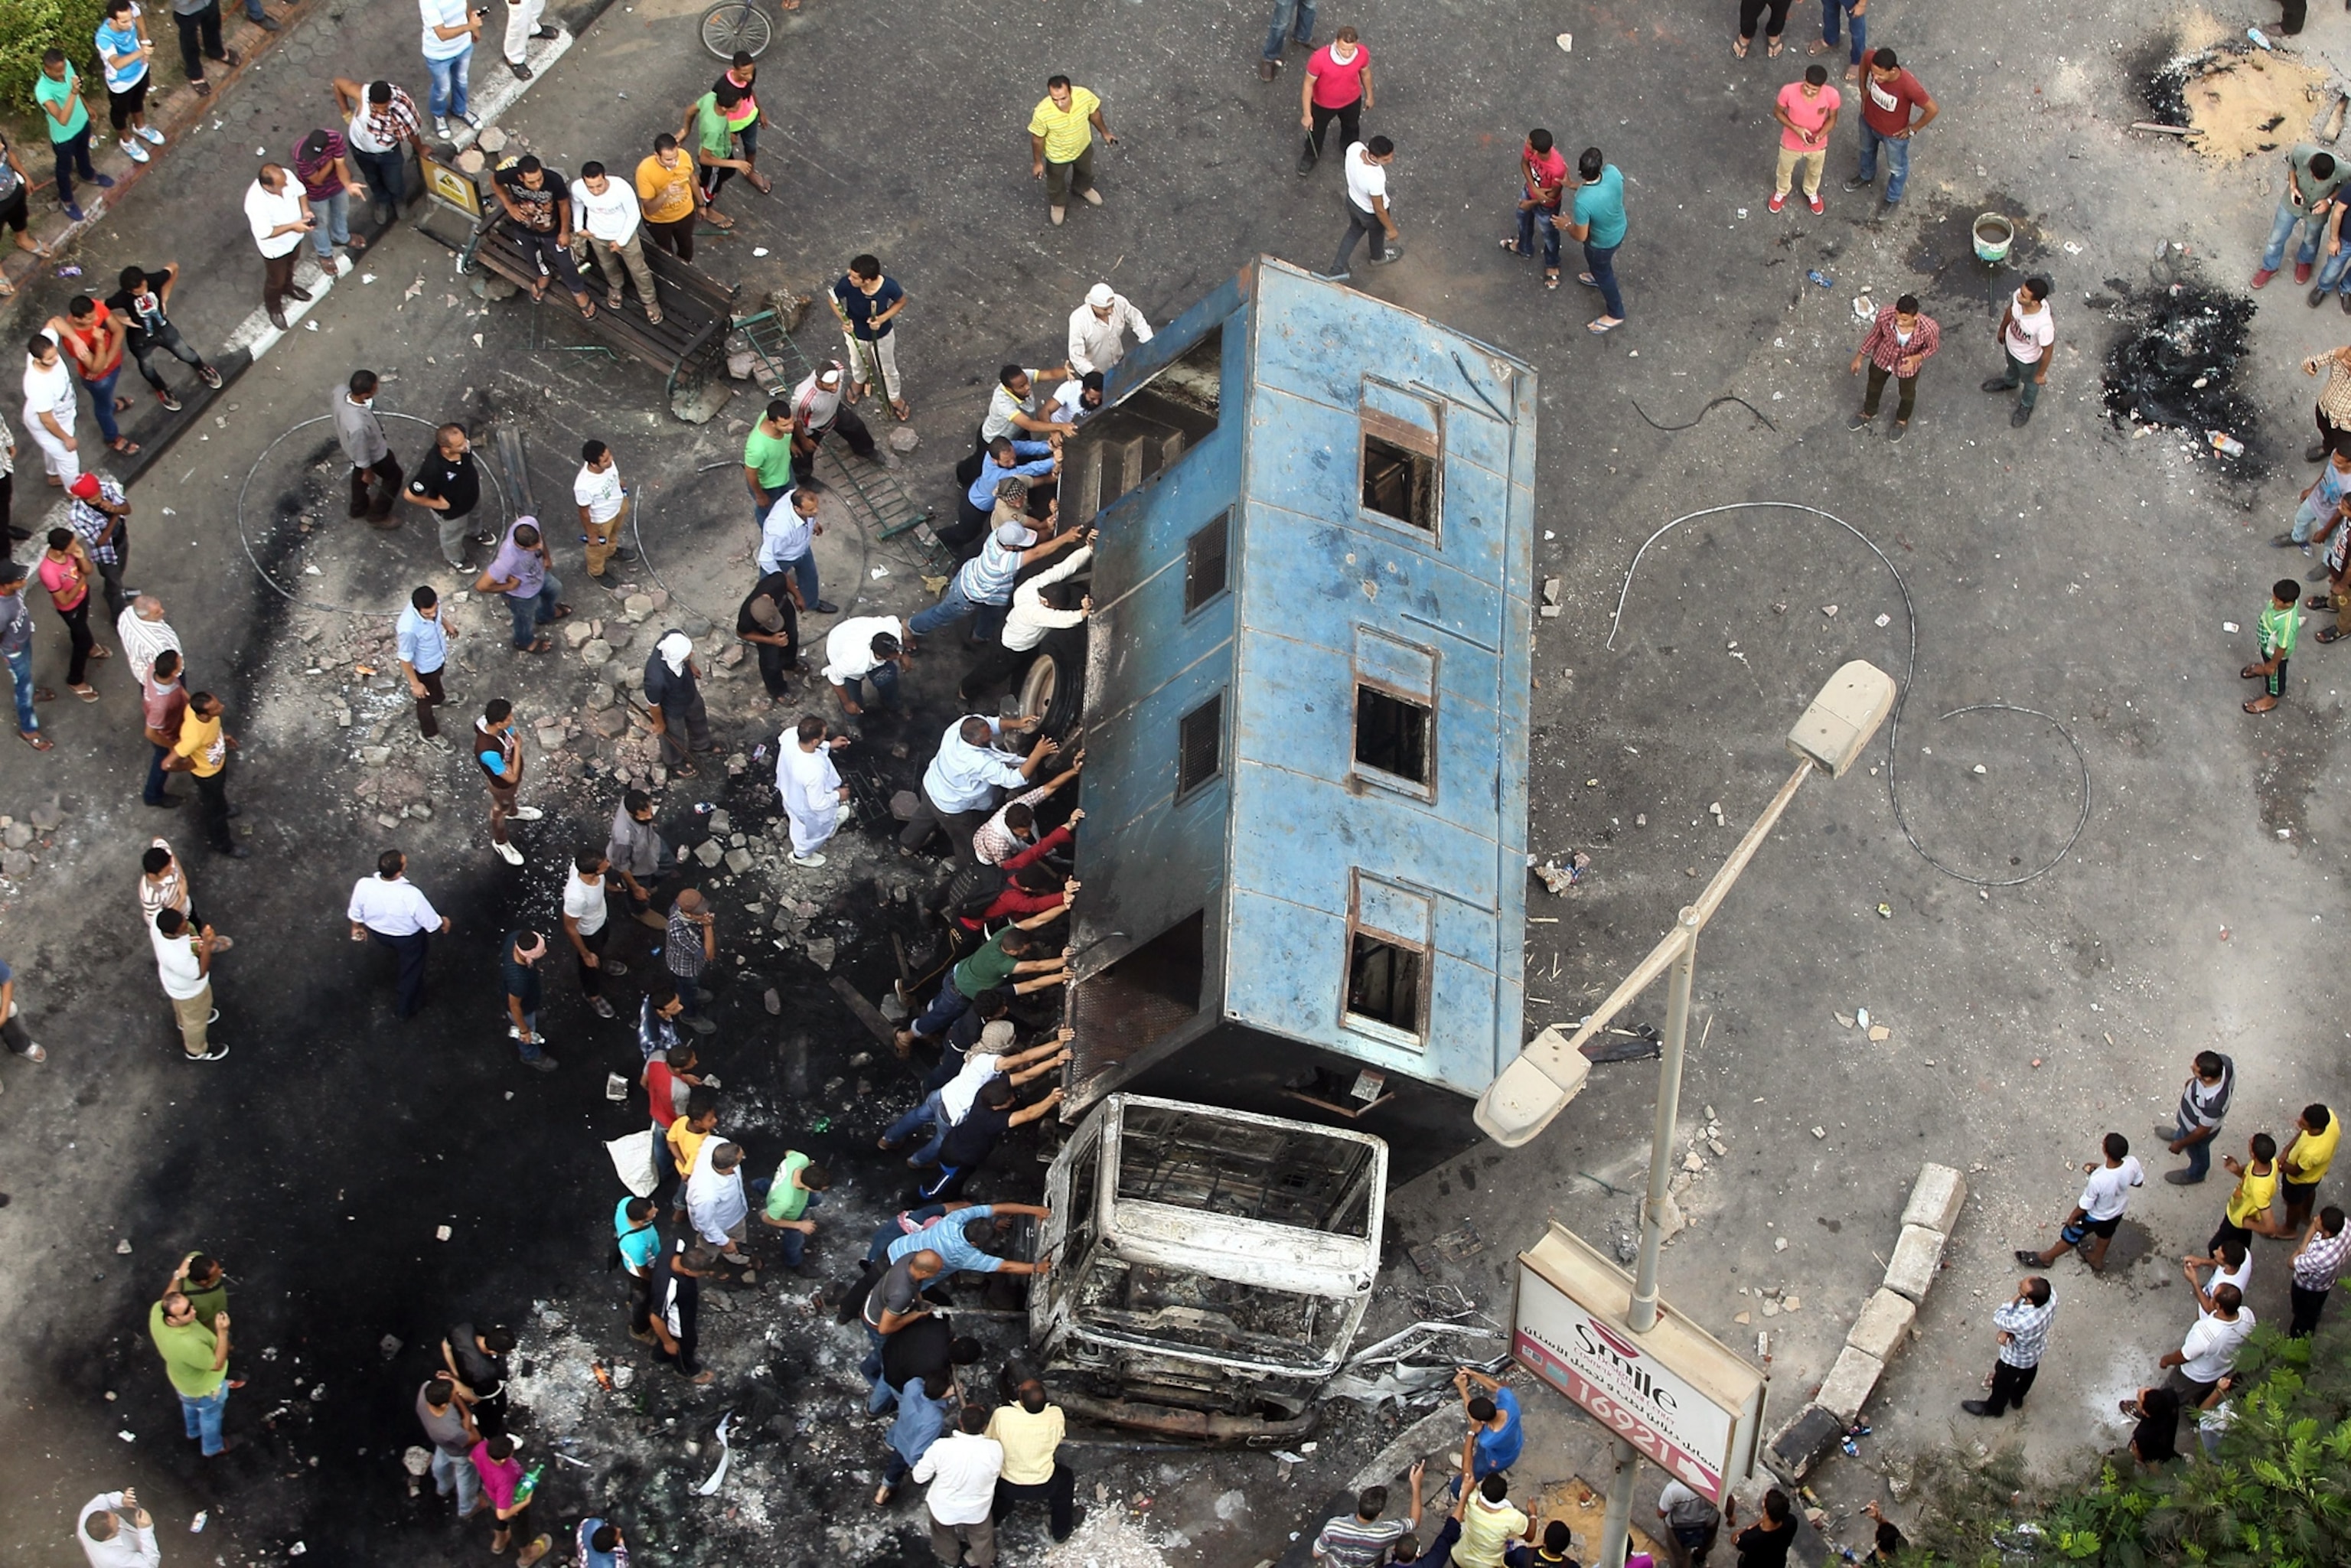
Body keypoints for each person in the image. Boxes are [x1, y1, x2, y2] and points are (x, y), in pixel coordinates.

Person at [882, 1023, 1072, 1164]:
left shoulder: (979, 1054)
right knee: (940, 1141)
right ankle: (917, 1161)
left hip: (943, 1094)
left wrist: (1055, 1060)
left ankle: (888, 1139)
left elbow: (1025, 1073)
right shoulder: (993, 1064)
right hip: (952, 1114)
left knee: (917, 1115)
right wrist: (1058, 1045)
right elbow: (1024, 1062)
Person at [902, 715, 1061, 862]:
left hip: (932, 785)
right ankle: (969, 871)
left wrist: (1017, 724)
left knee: (924, 816)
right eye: (987, 737)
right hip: (952, 808)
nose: (991, 736)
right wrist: (1037, 755)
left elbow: (991, 723)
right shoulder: (978, 761)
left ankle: (908, 845)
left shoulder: (960, 728)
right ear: (975, 742)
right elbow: (1015, 779)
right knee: (965, 841)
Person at [960, 540, 1091, 706]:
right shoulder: (1033, 611)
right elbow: (1061, 619)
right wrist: (1083, 612)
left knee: (1026, 666)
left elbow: (1064, 567)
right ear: (1045, 602)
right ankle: (965, 692)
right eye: (1054, 608)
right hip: (1011, 647)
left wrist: (1088, 549)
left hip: (1027, 641)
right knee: (991, 673)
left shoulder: (1037, 584)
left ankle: (1017, 692)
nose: (1055, 610)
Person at [2016, 1133, 2144, 1272]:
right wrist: (2104, 1169)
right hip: (2118, 1210)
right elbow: (2138, 1183)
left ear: (2105, 1152)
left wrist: (2072, 1217)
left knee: (2071, 1234)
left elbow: (2085, 1205)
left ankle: (2047, 1258)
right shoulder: (2132, 1162)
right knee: (2106, 1234)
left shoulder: (2098, 1179)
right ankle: (2096, 1259)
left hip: (2095, 1216)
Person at [348, 847, 448, 1019]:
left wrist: (356, 927)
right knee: (411, 970)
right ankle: (405, 1008)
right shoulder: (411, 895)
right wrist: (443, 922)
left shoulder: (364, 885)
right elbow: (430, 922)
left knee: (397, 951)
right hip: (408, 939)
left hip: (379, 933)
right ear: (399, 871)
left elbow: (356, 910)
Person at [108, 264, 218, 415]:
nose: (144, 291)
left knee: (185, 352)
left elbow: (174, 267)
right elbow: (101, 308)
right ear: (129, 291)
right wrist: (124, 320)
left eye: (144, 286)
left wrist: (165, 296)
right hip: (140, 338)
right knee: (147, 366)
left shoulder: (154, 279)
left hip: (163, 328)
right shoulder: (122, 297)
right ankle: (161, 388)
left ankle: (201, 367)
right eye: (138, 292)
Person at [493, 156, 595, 317]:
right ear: (520, 177)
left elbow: (563, 205)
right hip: (524, 229)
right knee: (532, 257)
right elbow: (494, 180)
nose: (538, 185)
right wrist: (509, 206)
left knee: (566, 263)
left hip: (552, 231)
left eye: (539, 179)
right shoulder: (510, 176)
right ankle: (544, 275)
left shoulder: (554, 180)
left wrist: (564, 232)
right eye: (532, 182)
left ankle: (577, 290)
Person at [1844, 48, 1935, 211]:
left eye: (1880, 75)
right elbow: (1865, 57)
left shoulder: (1909, 85)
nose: (1876, 79)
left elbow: (1932, 109)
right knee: (1866, 150)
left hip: (1894, 135)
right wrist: (1863, 90)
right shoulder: (1873, 60)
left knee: (1897, 168)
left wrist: (1913, 129)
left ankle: (1892, 198)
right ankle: (1866, 175)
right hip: (1868, 120)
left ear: (1893, 70)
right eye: (1874, 74)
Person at [47, 293, 137, 458]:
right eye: (89, 319)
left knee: (106, 399)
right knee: (102, 408)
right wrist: (101, 343)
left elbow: (118, 331)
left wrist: (107, 361)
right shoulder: (74, 342)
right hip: (99, 380)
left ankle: (112, 405)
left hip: (112, 365)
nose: (95, 318)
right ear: (78, 319)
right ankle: (112, 437)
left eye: (94, 314)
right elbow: (95, 368)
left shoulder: (94, 307)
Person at [990, 1381, 1081, 1543]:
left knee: (999, 1494)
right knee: (1066, 1479)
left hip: (1008, 1484)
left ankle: (993, 1520)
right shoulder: (1056, 1414)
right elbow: (1059, 1437)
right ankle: (1061, 1531)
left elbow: (990, 1440)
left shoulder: (1002, 1415)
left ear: (1021, 1400)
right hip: (1044, 1484)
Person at [915, 1405, 1005, 1565]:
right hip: (977, 1509)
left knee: (942, 1534)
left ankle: (949, 1559)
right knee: (982, 1538)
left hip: (943, 1507)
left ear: (960, 1422)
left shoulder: (941, 1447)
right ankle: (984, 1561)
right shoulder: (995, 1449)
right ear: (985, 1426)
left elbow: (919, 1477)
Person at [571, 163, 660, 324]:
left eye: (599, 185)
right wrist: (579, 227)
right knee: (607, 265)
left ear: (605, 177)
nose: (596, 191)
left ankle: (649, 300)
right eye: (591, 187)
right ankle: (615, 286)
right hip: (597, 234)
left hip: (624, 235)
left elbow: (634, 215)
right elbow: (577, 202)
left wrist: (621, 241)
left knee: (638, 269)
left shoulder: (621, 189)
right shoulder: (578, 188)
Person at [1844, 292, 1940, 439]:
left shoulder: (1929, 329)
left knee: (1907, 394)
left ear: (1915, 317)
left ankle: (1902, 420)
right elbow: (1874, 336)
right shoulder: (1884, 315)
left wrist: (1915, 358)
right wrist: (1859, 356)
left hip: (1907, 367)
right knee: (1873, 386)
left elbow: (1932, 348)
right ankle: (1868, 412)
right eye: (1897, 317)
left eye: (1904, 319)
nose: (1899, 322)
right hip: (1882, 358)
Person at [149, 1289, 233, 1454]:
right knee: (211, 1415)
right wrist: (223, 1332)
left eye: (191, 1306)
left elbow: (169, 1294)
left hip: (184, 1382)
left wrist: (179, 1274)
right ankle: (212, 1447)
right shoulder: (188, 1344)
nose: (193, 1311)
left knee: (189, 1405)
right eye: (187, 1312)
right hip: (205, 1389)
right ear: (172, 1319)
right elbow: (217, 1364)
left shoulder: (158, 1313)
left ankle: (193, 1431)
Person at [2254, 144, 2349, 289]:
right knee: (2276, 238)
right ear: (2310, 166)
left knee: (2311, 239)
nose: (2317, 181)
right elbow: (2292, 165)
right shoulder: (2301, 153)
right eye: (2314, 178)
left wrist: (2329, 201)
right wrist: (2293, 186)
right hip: (2291, 203)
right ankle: (2270, 266)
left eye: (2322, 181)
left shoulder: (2345, 170)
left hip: (2317, 210)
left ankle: (2305, 261)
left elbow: (2346, 188)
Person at [1960, 1275, 2055, 1417]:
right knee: (2029, 1373)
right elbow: (2011, 1323)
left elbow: (1999, 1317)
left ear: (2029, 1300)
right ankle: (2017, 1398)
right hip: (2034, 1351)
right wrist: (2007, 1331)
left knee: (2001, 1381)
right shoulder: (2051, 1298)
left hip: (2015, 1359)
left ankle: (1994, 1409)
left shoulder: (2020, 1322)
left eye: (2020, 1288)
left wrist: (2016, 1297)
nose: (2018, 1283)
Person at [332, 78, 422, 227]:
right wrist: (346, 113)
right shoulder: (362, 94)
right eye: (376, 107)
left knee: (394, 181)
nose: (380, 111)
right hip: (361, 150)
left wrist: (420, 148)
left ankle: (398, 200)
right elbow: (338, 84)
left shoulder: (401, 106)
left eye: (384, 108)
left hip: (389, 153)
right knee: (372, 179)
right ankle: (382, 201)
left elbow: (411, 131)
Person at [35, 49, 112, 224]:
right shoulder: (43, 90)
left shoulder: (67, 64)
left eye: (63, 68)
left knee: (83, 152)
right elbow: (62, 119)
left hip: (82, 123)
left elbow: (76, 90)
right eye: (58, 71)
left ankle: (88, 174)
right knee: (64, 169)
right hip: (64, 138)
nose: (63, 73)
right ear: (47, 69)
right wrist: (73, 93)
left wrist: (87, 106)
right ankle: (67, 200)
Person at [1029, 74, 1115, 227]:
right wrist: (1038, 162)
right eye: (1055, 99)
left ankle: (1082, 188)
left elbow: (1094, 114)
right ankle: (1058, 203)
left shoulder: (1084, 96)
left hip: (1082, 146)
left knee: (1085, 171)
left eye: (1063, 98)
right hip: (1058, 156)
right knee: (1055, 182)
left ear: (1071, 91)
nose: (1060, 103)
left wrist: (1105, 133)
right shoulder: (1042, 113)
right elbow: (1037, 139)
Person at [167, 690, 244, 859]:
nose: (221, 707)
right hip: (208, 776)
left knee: (218, 797)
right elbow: (167, 764)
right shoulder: (193, 737)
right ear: (203, 715)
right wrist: (189, 765)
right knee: (215, 813)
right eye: (216, 708)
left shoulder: (197, 711)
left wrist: (223, 737)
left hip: (217, 766)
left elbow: (212, 730)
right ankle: (223, 845)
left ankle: (224, 808)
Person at [1559, 147, 1626, 333]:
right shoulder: (1612, 172)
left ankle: (1616, 313)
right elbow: (1599, 190)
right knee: (1601, 268)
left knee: (1603, 273)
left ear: (1581, 171)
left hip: (1601, 243)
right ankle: (1597, 275)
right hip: (1619, 228)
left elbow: (1581, 235)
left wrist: (1565, 225)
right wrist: (1571, 184)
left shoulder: (1583, 201)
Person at [476, 517, 569, 654]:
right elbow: (481, 586)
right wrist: (509, 587)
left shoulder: (529, 523)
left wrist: (547, 557)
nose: (539, 547)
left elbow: (540, 537)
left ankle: (545, 615)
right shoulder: (507, 559)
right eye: (535, 547)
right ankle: (525, 642)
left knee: (555, 588)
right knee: (524, 619)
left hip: (538, 576)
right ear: (522, 547)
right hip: (522, 594)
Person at [834, 255, 909, 419]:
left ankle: (894, 397)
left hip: (882, 335)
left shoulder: (889, 286)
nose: (850, 279)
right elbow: (833, 299)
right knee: (857, 360)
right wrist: (844, 320)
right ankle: (859, 380)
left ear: (867, 280)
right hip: (855, 333)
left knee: (888, 368)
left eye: (855, 277)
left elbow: (901, 301)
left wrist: (882, 319)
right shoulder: (847, 284)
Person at [970, 758, 1081, 866]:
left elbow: (1050, 787)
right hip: (987, 852)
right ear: (1011, 828)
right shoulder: (1000, 845)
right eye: (1022, 832)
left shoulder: (1023, 803)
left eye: (1028, 829)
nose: (1027, 834)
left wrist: (1074, 771)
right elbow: (1008, 865)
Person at [243, 164, 315, 331]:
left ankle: (289, 287)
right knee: (275, 280)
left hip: (296, 237)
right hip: (276, 248)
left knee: (292, 263)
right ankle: (274, 307)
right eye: (281, 185)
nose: (286, 185)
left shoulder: (286, 176)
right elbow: (265, 232)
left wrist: (306, 212)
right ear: (267, 186)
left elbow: (300, 191)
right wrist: (292, 226)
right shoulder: (255, 203)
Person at [791, 360, 891, 479]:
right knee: (803, 456)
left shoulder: (839, 369)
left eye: (836, 382)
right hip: (814, 426)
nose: (835, 387)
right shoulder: (804, 400)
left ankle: (866, 450)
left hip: (833, 410)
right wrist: (804, 440)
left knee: (857, 428)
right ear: (819, 382)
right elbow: (797, 421)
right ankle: (804, 477)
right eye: (829, 385)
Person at [475, 699, 544, 865]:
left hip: (511, 773)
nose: (512, 720)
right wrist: (517, 748)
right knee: (500, 809)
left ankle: (514, 813)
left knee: (510, 801)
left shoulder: (493, 725)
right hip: (502, 786)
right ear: (498, 724)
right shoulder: (488, 752)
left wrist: (513, 759)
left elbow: (514, 735)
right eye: (508, 719)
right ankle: (500, 842)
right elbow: (510, 778)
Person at [777, 713, 851, 867]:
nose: (826, 736)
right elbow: (818, 804)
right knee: (812, 832)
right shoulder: (813, 771)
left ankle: (831, 826)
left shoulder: (791, 734)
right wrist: (838, 794)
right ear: (815, 741)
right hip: (809, 807)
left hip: (790, 792)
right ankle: (801, 855)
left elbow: (790, 742)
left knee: (804, 821)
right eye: (824, 735)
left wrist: (828, 745)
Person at [36, 526, 102, 699]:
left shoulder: (72, 553)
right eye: (71, 546)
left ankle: (88, 646)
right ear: (58, 551)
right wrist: (81, 583)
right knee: (82, 641)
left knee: (81, 627)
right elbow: (63, 600)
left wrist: (81, 557)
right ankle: (75, 680)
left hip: (82, 599)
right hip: (70, 609)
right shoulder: (48, 571)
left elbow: (88, 570)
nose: (75, 547)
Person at [1982, 274, 2055, 429]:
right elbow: (2010, 311)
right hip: (2011, 347)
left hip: (2028, 360)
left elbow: (2048, 351)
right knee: (2012, 368)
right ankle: (2010, 382)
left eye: (2023, 295)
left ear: (2034, 302)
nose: (2018, 295)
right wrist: (2002, 329)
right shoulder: (2018, 297)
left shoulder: (2043, 326)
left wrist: (2040, 374)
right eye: (2021, 291)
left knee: (2030, 383)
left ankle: (2026, 405)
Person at [1299, 25, 1372, 179]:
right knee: (1316, 131)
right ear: (1335, 42)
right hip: (1322, 104)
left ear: (1357, 44)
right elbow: (1308, 85)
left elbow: (1365, 73)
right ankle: (1311, 155)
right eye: (1343, 49)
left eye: (1350, 50)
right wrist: (1307, 114)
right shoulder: (1319, 59)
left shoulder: (1362, 53)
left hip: (1351, 100)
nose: (1347, 53)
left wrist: (1369, 95)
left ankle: (1350, 150)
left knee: (1351, 127)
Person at [2160, 1282, 2252, 1403]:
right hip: (2223, 1367)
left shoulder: (2205, 1333)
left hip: (2195, 1374)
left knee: (2170, 1394)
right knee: (2204, 1391)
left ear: (2219, 1306)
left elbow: (2184, 1356)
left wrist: (2166, 1360)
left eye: (2213, 1296)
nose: (2210, 1298)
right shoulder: (2248, 1316)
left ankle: (2153, 1410)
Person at [1312, 1466, 1423, 1565]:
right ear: (1379, 1514)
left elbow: (1316, 1553)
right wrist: (1416, 1485)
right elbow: (1414, 1521)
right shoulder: (1386, 1533)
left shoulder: (1334, 1526)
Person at [562, 850, 627, 1018]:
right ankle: (592, 995)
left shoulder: (589, 871)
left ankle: (601, 962)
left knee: (600, 949)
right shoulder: (576, 898)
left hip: (601, 922)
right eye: (605, 863)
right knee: (589, 966)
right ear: (594, 871)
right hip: (589, 933)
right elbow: (570, 927)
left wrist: (613, 888)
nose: (609, 863)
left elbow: (601, 882)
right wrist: (585, 954)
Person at [1501, 129, 1568, 287]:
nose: (1526, 142)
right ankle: (1524, 247)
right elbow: (1524, 164)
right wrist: (1534, 188)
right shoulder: (1531, 150)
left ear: (1536, 150)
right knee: (1522, 220)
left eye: (1528, 142)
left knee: (1549, 234)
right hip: (1530, 193)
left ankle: (1552, 264)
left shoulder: (1557, 169)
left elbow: (1551, 196)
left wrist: (1530, 203)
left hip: (1547, 206)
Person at [471, 1434, 550, 1566]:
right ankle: (527, 1556)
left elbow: (471, 1458)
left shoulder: (481, 1448)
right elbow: (502, 1514)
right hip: (510, 1502)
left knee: (496, 1520)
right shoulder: (505, 1478)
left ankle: (499, 1543)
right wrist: (525, 1502)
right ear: (503, 1459)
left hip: (490, 1495)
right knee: (520, 1529)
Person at [2158, 1051, 2235, 1185]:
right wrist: (2193, 1082)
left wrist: (2180, 1145)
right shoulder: (2224, 1063)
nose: (2191, 1068)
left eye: (2195, 1071)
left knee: (2198, 1151)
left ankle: (2196, 1174)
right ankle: (2180, 1135)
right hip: (2188, 1122)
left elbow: (2201, 1131)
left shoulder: (2214, 1104)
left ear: (2208, 1079)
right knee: (2184, 1131)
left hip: (2197, 1133)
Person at [1769, 65, 1837, 215]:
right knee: (1784, 171)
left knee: (1815, 172)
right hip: (1790, 143)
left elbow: (1833, 118)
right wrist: (1796, 129)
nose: (1809, 91)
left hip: (1818, 146)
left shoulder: (1832, 95)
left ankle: (1811, 191)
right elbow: (1777, 112)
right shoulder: (1788, 91)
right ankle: (1782, 190)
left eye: (1814, 89)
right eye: (1807, 86)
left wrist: (1820, 135)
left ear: (1823, 86)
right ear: (1803, 78)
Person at [1329, 136, 1399, 281]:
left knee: (1354, 231)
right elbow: (1379, 209)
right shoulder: (1375, 178)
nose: (1390, 161)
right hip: (1370, 214)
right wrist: (1391, 229)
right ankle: (1378, 257)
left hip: (1353, 202)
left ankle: (1337, 268)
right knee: (1377, 236)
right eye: (1386, 159)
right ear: (1373, 156)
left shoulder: (1355, 148)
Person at [757, 480, 833, 614]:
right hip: (783, 558)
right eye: (811, 510)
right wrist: (781, 577)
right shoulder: (780, 530)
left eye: (816, 507)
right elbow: (766, 558)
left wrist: (813, 522)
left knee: (810, 578)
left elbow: (808, 514)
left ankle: (811, 603)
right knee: (769, 588)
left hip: (801, 548)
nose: (816, 511)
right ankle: (767, 614)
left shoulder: (795, 496)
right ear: (797, 509)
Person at [682, 82, 758, 215]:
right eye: (737, 106)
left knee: (727, 173)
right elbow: (705, 159)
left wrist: (686, 130)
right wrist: (736, 163)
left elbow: (690, 111)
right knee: (713, 186)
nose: (740, 107)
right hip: (715, 160)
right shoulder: (714, 130)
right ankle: (706, 206)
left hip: (723, 150)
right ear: (724, 108)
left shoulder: (711, 97)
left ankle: (696, 181)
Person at [291, 126, 361, 268]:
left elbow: (341, 165)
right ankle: (324, 252)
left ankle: (341, 237)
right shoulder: (300, 154)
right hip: (315, 193)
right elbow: (317, 180)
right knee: (319, 223)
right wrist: (332, 161)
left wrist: (347, 184)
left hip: (337, 185)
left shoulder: (336, 138)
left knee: (341, 211)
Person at [636, 132, 712, 262]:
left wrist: (701, 205)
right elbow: (649, 208)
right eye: (668, 160)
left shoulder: (684, 156)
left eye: (675, 158)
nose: (674, 163)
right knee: (666, 252)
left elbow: (692, 180)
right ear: (657, 155)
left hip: (685, 214)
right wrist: (666, 193)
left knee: (687, 247)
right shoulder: (645, 171)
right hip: (659, 222)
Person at [649, 1239, 717, 1384]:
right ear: (687, 1271)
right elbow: (656, 1318)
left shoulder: (677, 1245)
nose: (702, 1276)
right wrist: (668, 1342)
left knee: (670, 1346)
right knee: (686, 1344)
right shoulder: (669, 1289)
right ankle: (686, 1370)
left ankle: (660, 1356)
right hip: (678, 1320)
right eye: (700, 1274)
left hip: (685, 1302)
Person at [337, 371, 403, 523]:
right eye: (375, 387)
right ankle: (378, 515)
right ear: (365, 394)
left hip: (349, 445)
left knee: (358, 472)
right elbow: (362, 454)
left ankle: (358, 507)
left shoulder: (340, 392)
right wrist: (368, 472)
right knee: (394, 477)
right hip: (375, 454)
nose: (377, 389)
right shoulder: (358, 426)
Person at [67, 471, 132, 621]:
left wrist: (115, 509)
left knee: (119, 573)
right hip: (106, 553)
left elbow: (127, 509)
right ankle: (119, 618)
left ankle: (112, 590)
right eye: (93, 499)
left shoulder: (107, 488)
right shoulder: (77, 515)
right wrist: (115, 515)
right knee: (114, 581)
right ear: (83, 499)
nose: (99, 500)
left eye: (99, 495)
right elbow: (100, 541)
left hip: (121, 539)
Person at [644, 630, 712, 772]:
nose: (692, 654)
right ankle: (674, 761)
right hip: (672, 708)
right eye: (688, 655)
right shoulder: (655, 678)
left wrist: (690, 665)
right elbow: (653, 705)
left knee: (698, 716)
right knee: (674, 735)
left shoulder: (673, 636)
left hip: (689, 692)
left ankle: (702, 745)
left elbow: (686, 654)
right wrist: (659, 723)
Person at [416, 1374, 484, 1516]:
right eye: (454, 1394)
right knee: (466, 1478)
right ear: (444, 1405)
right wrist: (466, 1414)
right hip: (460, 1452)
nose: (456, 1394)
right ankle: (468, 1507)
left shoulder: (424, 1391)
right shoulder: (451, 1431)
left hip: (442, 1443)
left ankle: (443, 1488)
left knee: (440, 1465)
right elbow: (475, 1438)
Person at [396, 585, 457, 742]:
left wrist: (446, 624)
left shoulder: (432, 604)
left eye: (435, 610)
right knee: (424, 702)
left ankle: (439, 699)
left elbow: (438, 615)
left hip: (437, 657)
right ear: (417, 609)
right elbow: (404, 658)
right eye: (427, 614)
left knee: (436, 681)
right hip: (423, 668)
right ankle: (429, 734)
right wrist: (415, 684)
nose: (433, 615)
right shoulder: (408, 629)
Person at [0, 561, 49, 751]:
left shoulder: (13, 592)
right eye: (18, 580)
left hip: (22, 640)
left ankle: (31, 692)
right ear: (5, 584)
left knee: (26, 677)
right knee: (23, 687)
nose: (23, 581)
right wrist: (9, 652)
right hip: (14, 650)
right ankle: (28, 729)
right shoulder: (1, 611)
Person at [606, 788, 671, 929]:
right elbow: (621, 865)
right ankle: (639, 911)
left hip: (652, 844)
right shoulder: (623, 838)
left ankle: (648, 886)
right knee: (638, 890)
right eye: (644, 817)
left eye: (650, 813)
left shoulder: (630, 801)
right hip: (637, 865)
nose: (649, 818)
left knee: (668, 864)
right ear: (631, 814)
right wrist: (636, 888)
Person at [24, 332, 83, 489]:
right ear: (37, 360)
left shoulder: (45, 350)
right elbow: (47, 420)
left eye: (55, 354)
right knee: (69, 459)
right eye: (50, 358)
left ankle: (54, 474)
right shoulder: (38, 385)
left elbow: (55, 322)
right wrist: (66, 438)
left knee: (53, 449)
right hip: (48, 422)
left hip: (61, 416)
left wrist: (75, 339)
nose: (56, 359)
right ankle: (74, 491)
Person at [1451, 1458, 1532, 1568]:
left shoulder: (1470, 1497)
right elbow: (1529, 1537)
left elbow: (1467, 1473)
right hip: (1487, 1565)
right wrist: (1533, 1514)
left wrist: (1469, 1440)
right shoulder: (1513, 1517)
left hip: (1460, 1558)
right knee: (1519, 1546)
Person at [419, 0, 482, 141]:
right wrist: (469, 27)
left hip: (463, 46)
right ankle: (439, 114)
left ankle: (460, 110)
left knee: (461, 79)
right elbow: (442, 34)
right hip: (438, 54)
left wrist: (474, 28)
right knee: (443, 88)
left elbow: (466, 4)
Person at [686, 1138, 755, 1266]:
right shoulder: (707, 1195)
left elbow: (707, 1139)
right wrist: (724, 1242)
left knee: (740, 1243)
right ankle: (706, 1266)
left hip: (736, 1215)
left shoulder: (715, 1145)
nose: (743, 1157)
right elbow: (705, 1224)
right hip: (721, 1224)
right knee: (709, 1249)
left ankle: (740, 1260)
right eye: (741, 1158)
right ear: (730, 1168)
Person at [758, 1149, 829, 1269]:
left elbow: (787, 1152)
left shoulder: (801, 1160)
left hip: (779, 1187)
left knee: (816, 1198)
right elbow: (767, 1219)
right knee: (794, 1242)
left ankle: (757, 1186)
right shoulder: (785, 1201)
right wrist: (799, 1225)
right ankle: (793, 1262)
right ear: (808, 1188)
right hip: (790, 1216)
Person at [2212, 1134, 2286, 1249]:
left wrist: (2246, 1224)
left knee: (2214, 1247)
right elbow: (2246, 1175)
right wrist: (2237, 1170)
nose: (2249, 1141)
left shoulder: (2259, 1190)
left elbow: (2270, 1228)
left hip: (2237, 1219)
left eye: (2250, 1143)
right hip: (2242, 1210)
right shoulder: (2270, 1162)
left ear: (2253, 1155)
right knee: (2242, 1244)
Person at [738, 571, 801, 703]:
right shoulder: (746, 618)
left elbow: (785, 578)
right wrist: (771, 640)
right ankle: (778, 690)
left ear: (772, 600)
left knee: (793, 639)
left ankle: (789, 663)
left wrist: (798, 596)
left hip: (787, 616)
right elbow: (742, 634)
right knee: (771, 662)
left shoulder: (774, 584)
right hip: (765, 634)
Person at [825, 616, 908, 717]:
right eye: (895, 657)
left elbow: (898, 628)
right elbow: (834, 676)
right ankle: (853, 722)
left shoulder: (890, 631)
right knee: (853, 700)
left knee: (887, 679)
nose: (898, 656)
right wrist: (847, 703)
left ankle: (892, 704)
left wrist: (904, 654)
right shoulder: (853, 661)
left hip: (856, 630)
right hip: (839, 645)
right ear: (881, 657)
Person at [1455, 1367, 1524, 1488]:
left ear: (1482, 1421)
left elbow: (1474, 1425)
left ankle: (1473, 1484)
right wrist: (1473, 1373)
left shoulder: (1487, 1440)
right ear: (1490, 1402)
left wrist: (1463, 1389)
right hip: (1515, 1446)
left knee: (1476, 1470)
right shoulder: (1510, 1403)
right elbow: (1496, 1387)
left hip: (1495, 1460)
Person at [442, 1320, 516, 1433]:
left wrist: (456, 1374)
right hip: (480, 1389)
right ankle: (491, 1430)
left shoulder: (463, 1329)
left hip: (469, 1377)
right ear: (492, 1352)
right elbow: (478, 1396)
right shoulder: (487, 1371)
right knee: (490, 1409)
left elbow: (445, 1346)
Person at [1066, 283, 1153, 377]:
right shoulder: (1079, 320)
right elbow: (1076, 356)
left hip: (1120, 362)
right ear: (1093, 305)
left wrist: (1150, 343)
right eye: (1105, 309)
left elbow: (1137, 320)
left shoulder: (1120, 302)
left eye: (1112, 306)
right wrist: (1094, 373)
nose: (1111, 311)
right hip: (1096, 370)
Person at [2243, 578, 2301, 716]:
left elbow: (2282, 647)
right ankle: (2265, 667)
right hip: (2267, 647)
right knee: (2266, 661)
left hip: (2276, 655)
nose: (2273, 601)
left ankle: (2271, 698)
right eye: (2273, 596)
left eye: (2277, 600)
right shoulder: (2281, 604)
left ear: (2288, 604)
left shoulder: (2286, 625)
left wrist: (2273, 664)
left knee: (2275, 676)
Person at [980, 363, 1074, 446]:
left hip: (1018, 431)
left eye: (1027, 382)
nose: (1028, 387)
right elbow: (1029, 424)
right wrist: (1060, 426)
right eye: (1022, 387)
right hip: (995, 442)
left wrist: (1065, 371)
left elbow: (1049, 374)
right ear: (1009, 389)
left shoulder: (1022, 377)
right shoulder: (1002, 402)